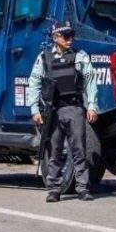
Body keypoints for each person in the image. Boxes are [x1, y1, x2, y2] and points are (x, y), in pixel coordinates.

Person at [27, 20, 99, 203]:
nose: (70, 39)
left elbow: (91, 81)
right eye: (66, 36)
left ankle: (82, 188)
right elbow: (34, 82)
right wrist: (34, 109)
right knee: (54, 151)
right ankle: (53, 189)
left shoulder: (79, 56)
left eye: (72, 35)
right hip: (53, 110)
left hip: (74, 108)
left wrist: (92, 106)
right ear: (55, 37)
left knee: (79, 151)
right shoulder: (44, 58)